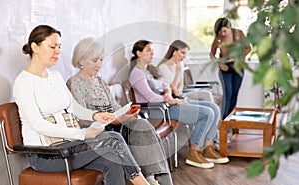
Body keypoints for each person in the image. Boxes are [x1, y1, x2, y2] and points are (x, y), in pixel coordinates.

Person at [13, 25, 150, 185]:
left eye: (59, 47)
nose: (58, 51)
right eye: (52, 46)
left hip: (68, 146)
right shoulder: (23, 82)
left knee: (113, 161)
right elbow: (38, 124)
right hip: (47, 155)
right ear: (35, 47)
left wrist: (95, 115)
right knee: (113, 139)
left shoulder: (55, 76)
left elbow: (73, 108)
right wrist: (82, 134)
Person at [66, 37, 172, 185]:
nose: (99, 65)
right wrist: (115, 119)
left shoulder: (100, 81)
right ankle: (151, 180)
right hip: (97, 133)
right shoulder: (74, 83)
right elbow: (82, 118)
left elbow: (114, 107)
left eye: (101, 60)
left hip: (115, 126)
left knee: (142, 124)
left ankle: (158, 180)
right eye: (94, 60)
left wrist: (126, 114)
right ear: (81, 60)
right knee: (138, 130)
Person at [129, 40, 229, 169]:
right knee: (206, 113)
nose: (153, 53)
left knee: (214, 108)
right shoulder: (136, 74)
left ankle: (209, 147)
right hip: (157, 109)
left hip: (167, 104)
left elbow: (166, 85)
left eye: (152, 50)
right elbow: (150, 97)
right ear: (139, 53)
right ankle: (194, 152)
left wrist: (168, 93)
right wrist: (171, 100)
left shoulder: (150, 69)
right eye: (149, 50)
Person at [157, 39, 221, 145]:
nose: (184, 56)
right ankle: (211, 141)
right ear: (174, 51)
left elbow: (179, 89)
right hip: (173, 101)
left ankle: (212, 140)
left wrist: (179, 74)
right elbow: (172, 89)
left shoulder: (178, 66)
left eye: (185, 54)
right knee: (207, 109)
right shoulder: (163, 67)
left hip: (181, 95)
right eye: (182, 53)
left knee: (212, 103)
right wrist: (178, 72)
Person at [210, 18, 251, 119]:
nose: (223, 34)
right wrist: (219, 63)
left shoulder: (238, 34)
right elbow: (212, 53)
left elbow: (248, 48)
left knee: (234, 93)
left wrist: (240, 57)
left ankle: (231, 118)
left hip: (238, 67)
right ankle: (224, 120)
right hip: (225, 67)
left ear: (229, 27)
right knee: (228, 93)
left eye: (225, 31)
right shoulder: (218, 38)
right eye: (220, 32)